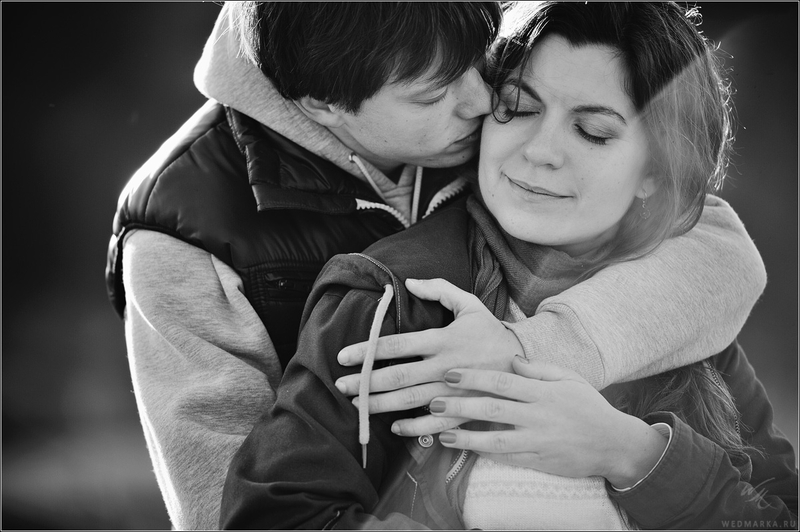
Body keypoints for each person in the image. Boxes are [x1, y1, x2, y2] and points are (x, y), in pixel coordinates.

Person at [105, 2, 766, 530]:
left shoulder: (458, 58)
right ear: (323, 105)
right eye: (433, 94)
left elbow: (710, 237)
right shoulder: (185, 235)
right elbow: (236, 509)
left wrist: (537, 362)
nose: (481, 101)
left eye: (484, 67)